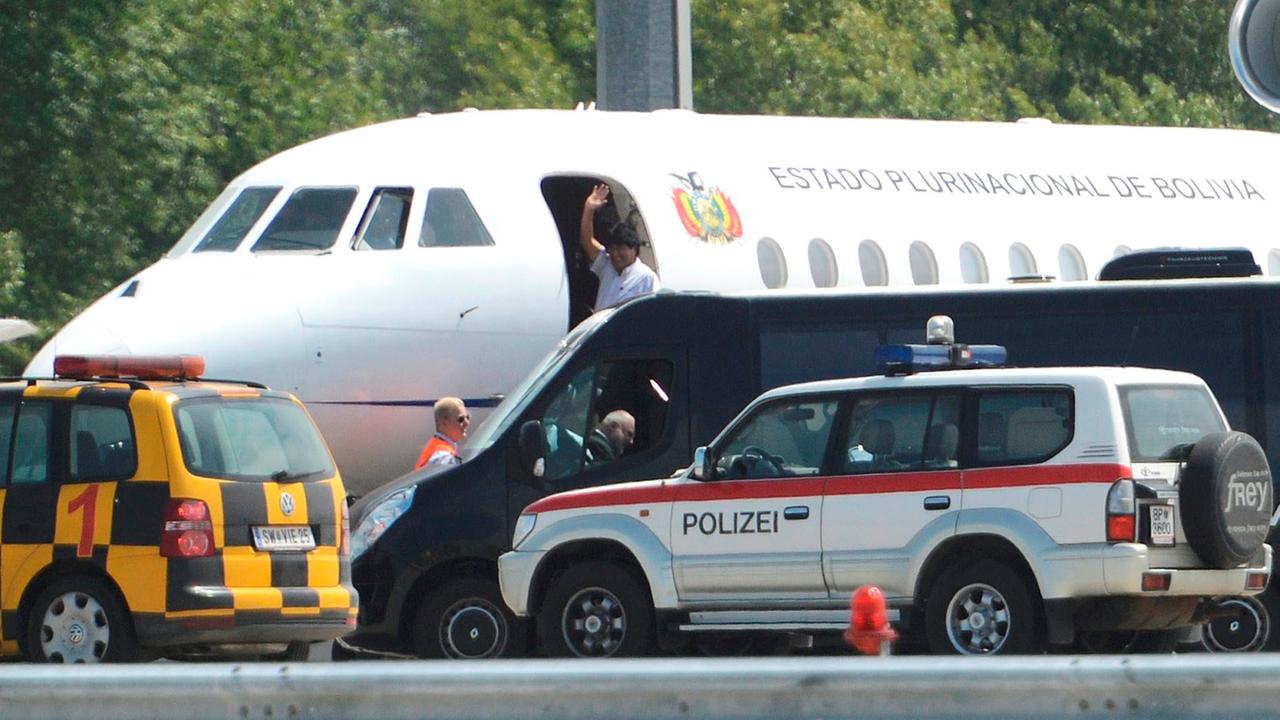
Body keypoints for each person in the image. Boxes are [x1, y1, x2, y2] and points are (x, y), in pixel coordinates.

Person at [580, 184, 660, 311]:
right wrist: (588, 209)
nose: (615, 254)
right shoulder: (606, 265)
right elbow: (587, 241)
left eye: (620, 248)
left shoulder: (647, 278)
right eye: (612, 249)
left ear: (633, 248)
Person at [414, 397, 470, 469]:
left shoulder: (436, 445)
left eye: (467, 417)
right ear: (445, 422)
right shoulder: (443, 457)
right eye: (461, 419)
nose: (467, 423)